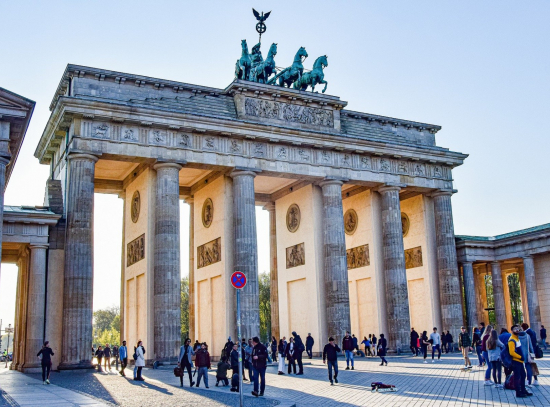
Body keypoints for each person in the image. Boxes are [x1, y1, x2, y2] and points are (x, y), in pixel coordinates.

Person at [508, 324, 532, 398]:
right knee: (517, 376)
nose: (517, 330)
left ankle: (523, 390)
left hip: (520, 361)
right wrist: (520, 357)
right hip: (516, 361)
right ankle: (518, 392)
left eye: (517, 329)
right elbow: (511, 352)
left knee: (523, 375)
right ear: (512, 331)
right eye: (515, 329)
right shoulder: (512, 339)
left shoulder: (517, 338)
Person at [519, 323, 539, 387]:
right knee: (528, 368)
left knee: (520, 369)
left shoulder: (517, 337)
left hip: (519, 355)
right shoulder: (527, 336)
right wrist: (532, 354)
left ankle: (521, 381)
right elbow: (530, 347)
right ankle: (529, 382)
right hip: (527, 355)